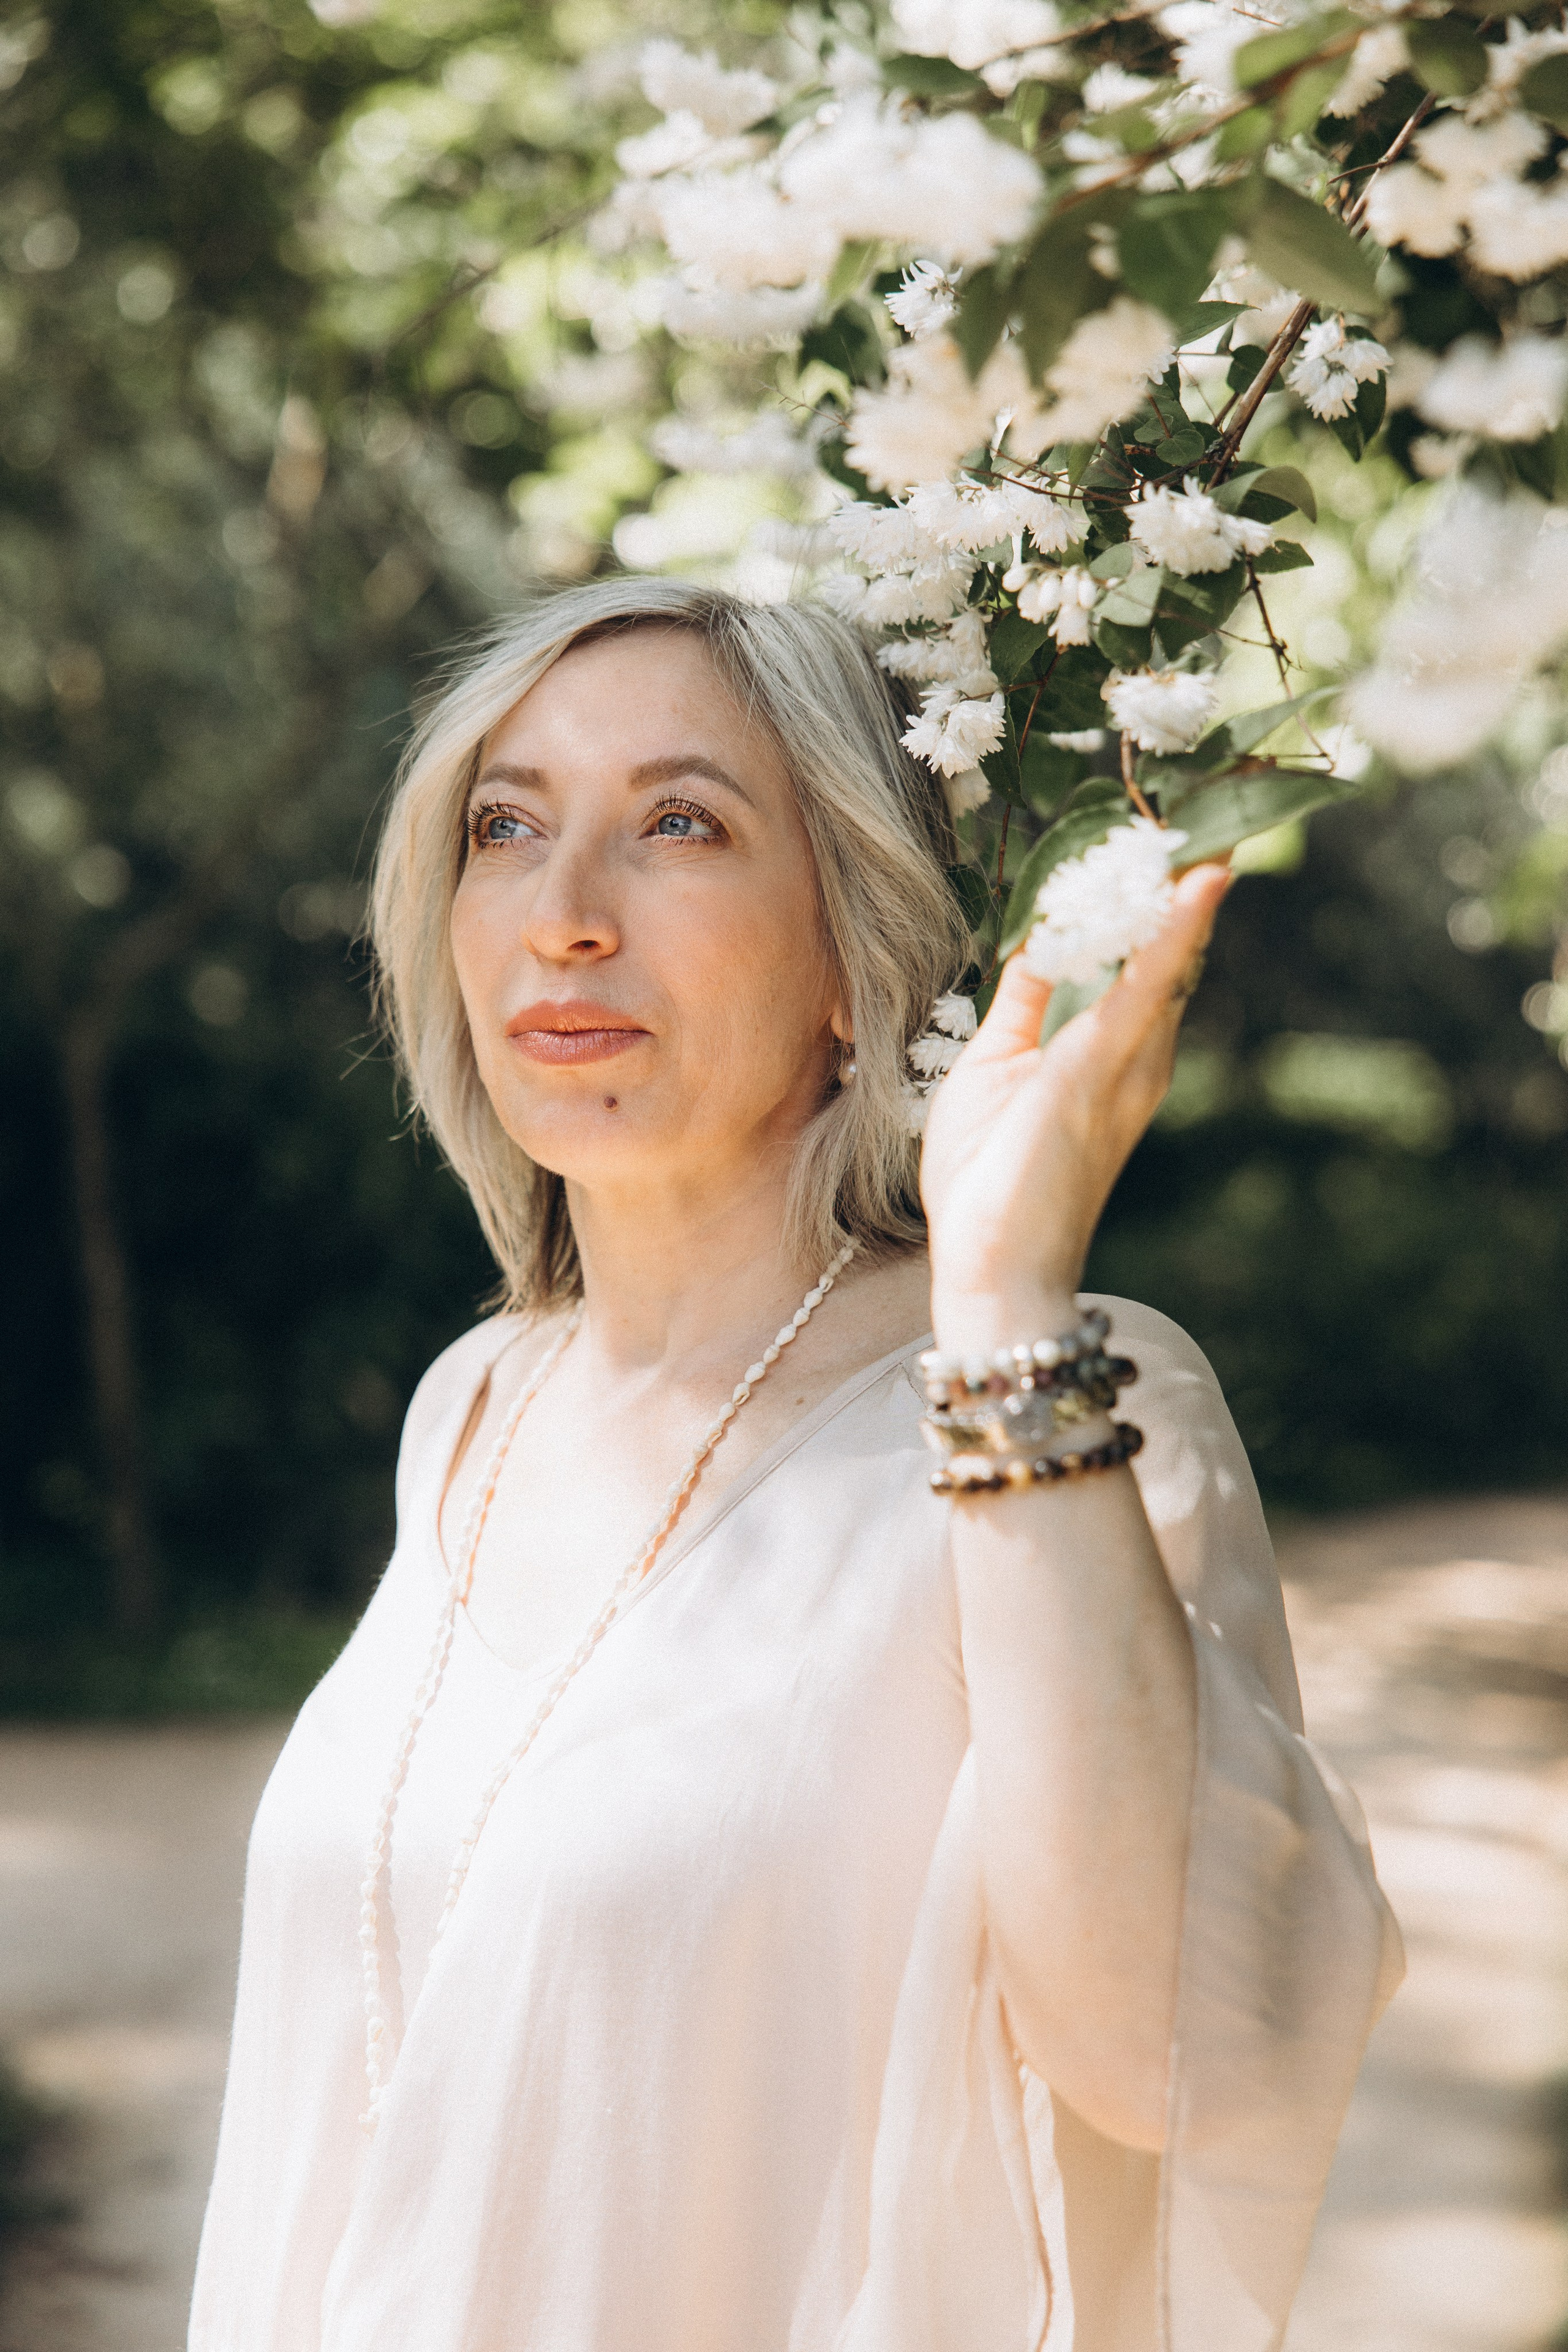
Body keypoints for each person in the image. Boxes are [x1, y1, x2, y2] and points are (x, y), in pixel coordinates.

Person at [189, 578, 1401, 2352]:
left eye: (679, 823)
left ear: (853, 947)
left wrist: (1002, 1296)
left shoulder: (1070, 1395)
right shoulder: (474, 1401)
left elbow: (1170, 2053)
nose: (564, 917)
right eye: (507, 827)